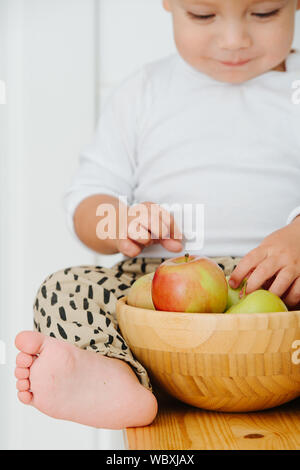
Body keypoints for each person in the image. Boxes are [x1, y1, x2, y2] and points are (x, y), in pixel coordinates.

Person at [15, 0, 300, 429]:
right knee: (65, 288)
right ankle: (117, 375)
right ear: (169, 3)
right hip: (157, 292)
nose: (234, 40)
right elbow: (90, 197)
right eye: (203, 16)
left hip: (279, 288)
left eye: (264, 14)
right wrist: (119, 221)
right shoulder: (143, 91)